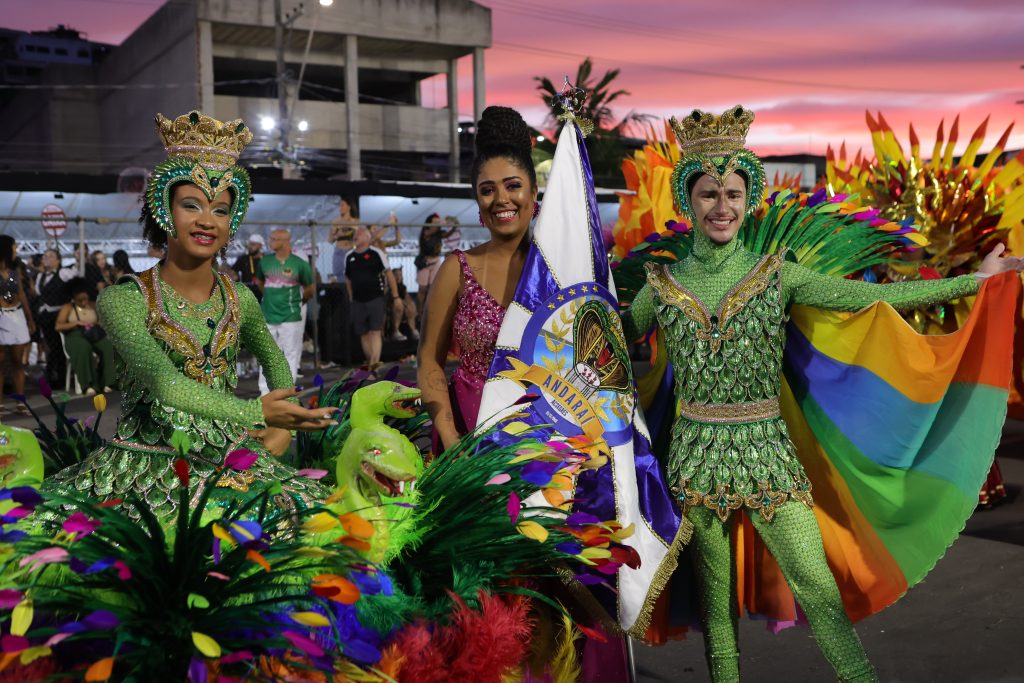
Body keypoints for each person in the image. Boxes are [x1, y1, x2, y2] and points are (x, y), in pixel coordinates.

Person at [619, 106, 1024, 683]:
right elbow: (607, 339)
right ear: (688, 201)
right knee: (716, 612)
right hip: (692, 463)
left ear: (749, 197)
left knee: (819, 590)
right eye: (709, 193)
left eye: (733, 193)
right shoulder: (660, 285)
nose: (722, 207)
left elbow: (872, 302)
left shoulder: (777, 273)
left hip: (770, 455)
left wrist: (978, 282)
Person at [46, 110, 337, 519]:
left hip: (230, 455)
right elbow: (165, 384)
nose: (206, 221)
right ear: (165, 209)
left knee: (314, 523)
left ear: (232, 220)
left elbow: (273, 358)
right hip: (150, 466)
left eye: (220, 210)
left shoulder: (240, 298)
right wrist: (257, 412)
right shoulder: (124, 299)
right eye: (191, 205)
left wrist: (282, 424)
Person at [418, 107, 536, 451]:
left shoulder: (560, 268)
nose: (501, 199)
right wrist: (451, 437)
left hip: (551, 438)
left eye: (513, 185)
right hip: (470, 438)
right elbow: (429, 359)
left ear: (533, 191)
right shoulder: (457, 269)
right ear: (477, 201)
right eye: (487, 190)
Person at [256, 227, 314, 392]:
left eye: (274, 239)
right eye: (271, 238)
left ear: (285, 242)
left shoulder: (299, 264)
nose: (270, 242)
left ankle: (287, 390)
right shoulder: (265, 262)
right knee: (267, 355)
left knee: (290, 354)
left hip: (290, 317)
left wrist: (298, 302)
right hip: (268, 316)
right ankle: (265, 391)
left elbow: (309, 289)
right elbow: (260, 283)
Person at [345, 225, 399, 370]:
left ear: (368, 238)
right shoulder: (349, 256)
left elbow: (389, 274)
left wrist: (396, 296)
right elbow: (348, 279)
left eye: (360, 233)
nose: (357, 235)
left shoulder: (377, 253)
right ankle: (371, 362)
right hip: (357, 300)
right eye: (356, 233)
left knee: (375, 331)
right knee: (363, 334)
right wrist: (351, 297)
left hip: (375, 298)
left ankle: (373, 365)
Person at [54, 277, 116, 396]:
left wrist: (99, 324)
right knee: (83, 347)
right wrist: (75, 323)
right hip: (75, 335)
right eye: (80, 300)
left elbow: (103, 321)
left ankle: (108, 382)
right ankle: (89, 384)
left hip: (94, 334)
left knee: (109, 346)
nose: (84, 302)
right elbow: (58, 326)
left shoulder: (93, 305)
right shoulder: (68, 308)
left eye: (85, 299)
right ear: (74, 297)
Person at [0, 235, 36, 415]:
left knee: (17, 362)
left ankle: (20, 401)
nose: (16, 250)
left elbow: (21, 293)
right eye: (14, 247)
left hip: (17, 315)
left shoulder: (16, 269)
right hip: (1, 317)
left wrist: (30, 319)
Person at [34, 247, 68, 389]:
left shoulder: (64, 273)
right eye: (45, 256)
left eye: (50, 256)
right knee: (49, 347)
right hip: (44, 317)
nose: (46, 258)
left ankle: (59, 377)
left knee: (59, 347)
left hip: (58, 315)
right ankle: (51, 375)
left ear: (58, 260)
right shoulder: (40, 276)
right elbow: (38, 294)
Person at [414, 212, 456, 320]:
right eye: (435, 221)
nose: (437, 223)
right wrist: (440, 224)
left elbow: (447, 234)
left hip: (436, 261)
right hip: (425, 262)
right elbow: (431, 232)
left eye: (437, 222)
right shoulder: (426, 231)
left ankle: (430, 311)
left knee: (433, 288)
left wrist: (454, 225)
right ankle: (419, 312)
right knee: (422, 289)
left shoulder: (438, 232)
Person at [390, 267, 418, 342]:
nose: (398, 277)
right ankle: (395, 331)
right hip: (393, 305)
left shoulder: (403, 287)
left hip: (404, 305)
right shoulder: (389, 287)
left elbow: (407, 297)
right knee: (399, 307)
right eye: (396, 275)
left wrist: (409, 303)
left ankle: (413, 330)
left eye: (400, 275)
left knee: (411, 306)